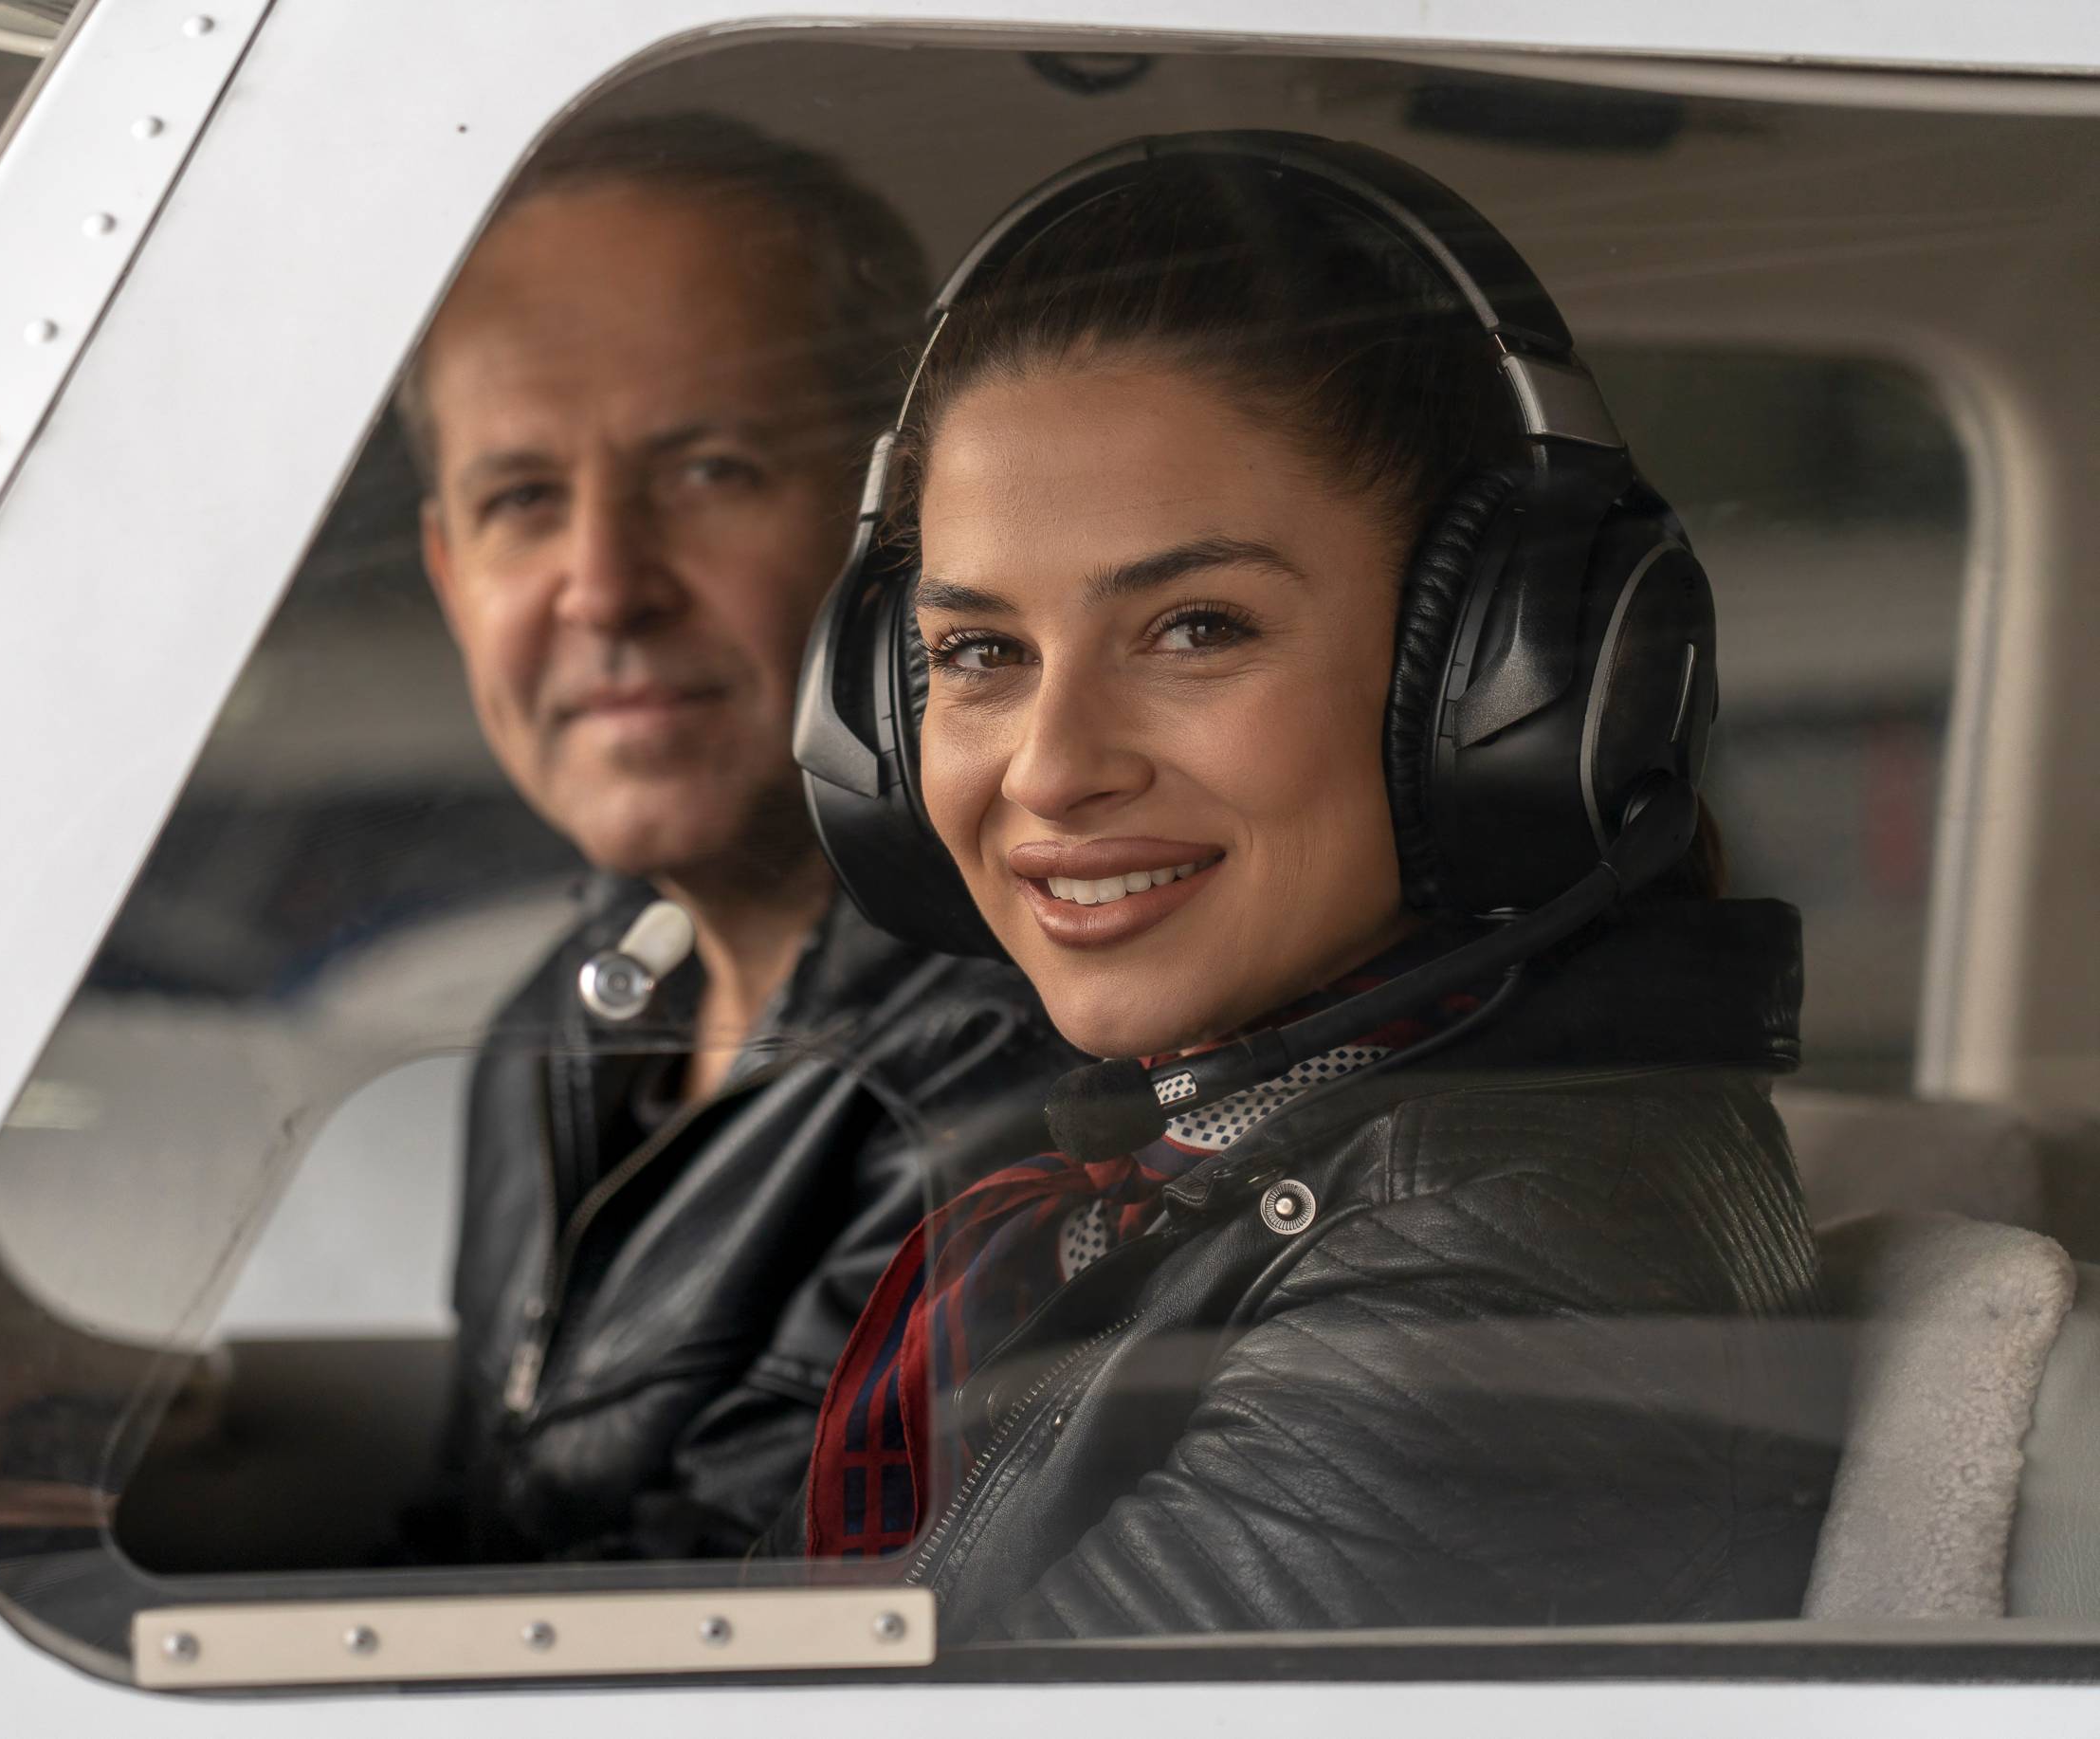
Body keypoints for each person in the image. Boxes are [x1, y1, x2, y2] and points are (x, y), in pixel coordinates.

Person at [790, 136, 1837, 1636]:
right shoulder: (1237, 1170)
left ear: (1491, 684)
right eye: (978, 652)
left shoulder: (1493, 1266)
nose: (1049, 767)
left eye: (1195, 628)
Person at [403, 114, 1076, 1562]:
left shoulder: (1013, 1053)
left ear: (904, 526)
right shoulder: (562, 1021)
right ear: (450, 573)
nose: (603, 586)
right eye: (521, 499)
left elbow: (710, 1622)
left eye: (709, 469)